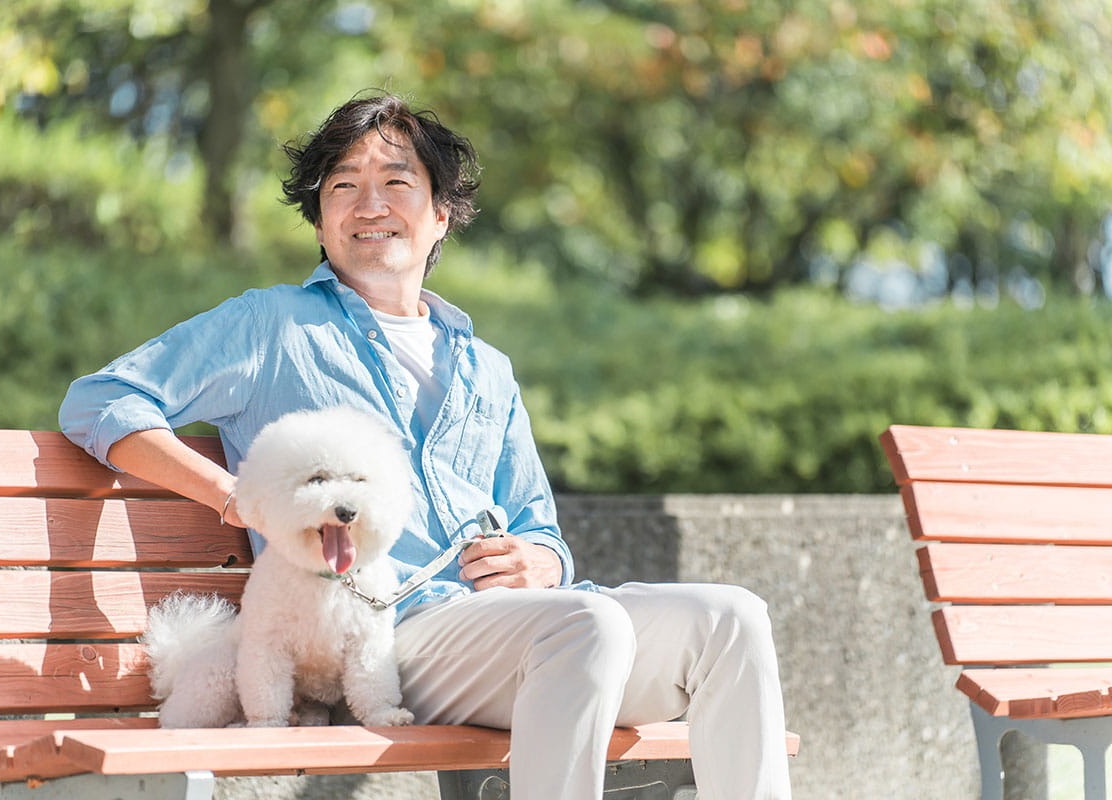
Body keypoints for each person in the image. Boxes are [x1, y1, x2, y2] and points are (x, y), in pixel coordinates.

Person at [59, 92, 793, 800]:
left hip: (519, 633)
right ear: (320, 221)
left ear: (441, 214)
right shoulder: (271, 327)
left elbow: (538, 527)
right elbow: (101, 401)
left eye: (396, 182)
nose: (369, 204)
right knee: (585, 624)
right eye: (343, 186)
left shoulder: (486, 368)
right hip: (379, 636)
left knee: (732, 619)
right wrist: (233, 496)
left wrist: (541, 560)